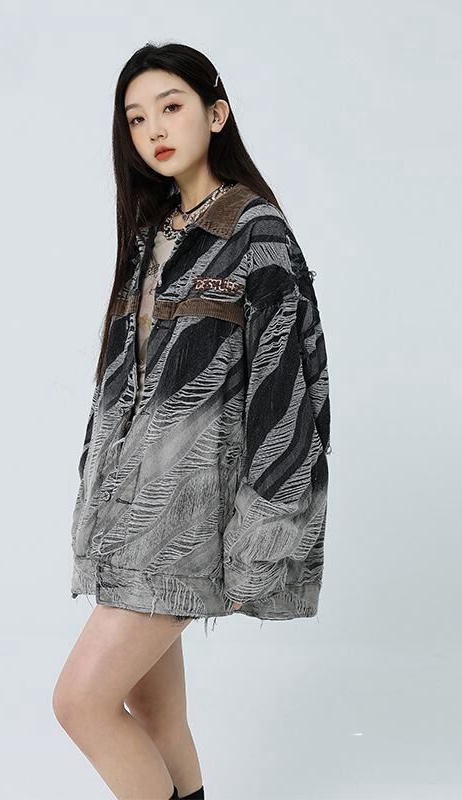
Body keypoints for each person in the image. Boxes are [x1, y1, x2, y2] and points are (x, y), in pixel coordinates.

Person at [52, 42, 331, 800]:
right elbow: (121, 391)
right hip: (127, 514)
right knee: (155, 713)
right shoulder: (152, 236)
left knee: (80, 704)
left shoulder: (256, 234)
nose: (154, 129)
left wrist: (262, 540)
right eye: (136, 118)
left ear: (216, 113)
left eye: (171, 107)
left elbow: (288, 396)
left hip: (190, 519)